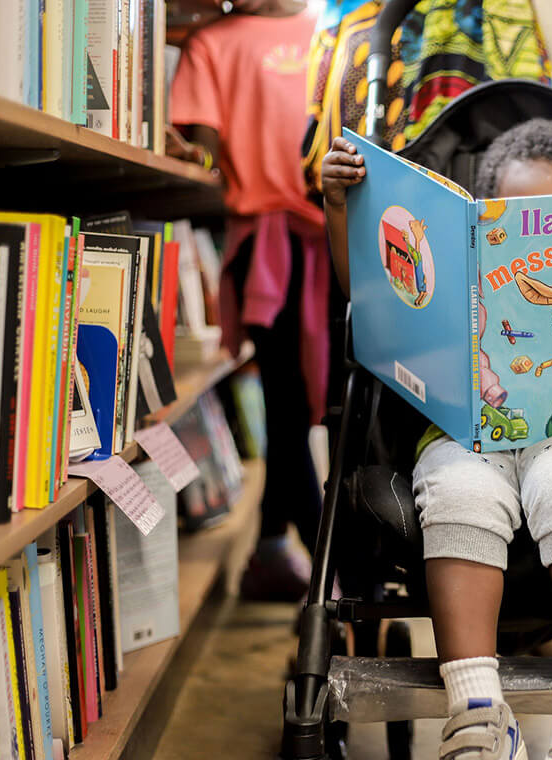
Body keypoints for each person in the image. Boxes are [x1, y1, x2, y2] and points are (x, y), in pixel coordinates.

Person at [321, 119, 552, 760]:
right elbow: (370, 297)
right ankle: (476, 706)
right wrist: (338, 207)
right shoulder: (452, 265)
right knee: (460, 491)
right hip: (461, 430)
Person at [170, 0, 331, 601]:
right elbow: (204, 149)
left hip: (338, 241)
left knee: (326, 410)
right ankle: (329, 573)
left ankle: (270, 548)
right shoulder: (212, 42)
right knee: (288, 410)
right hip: (269, 247)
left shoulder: (335, 27)